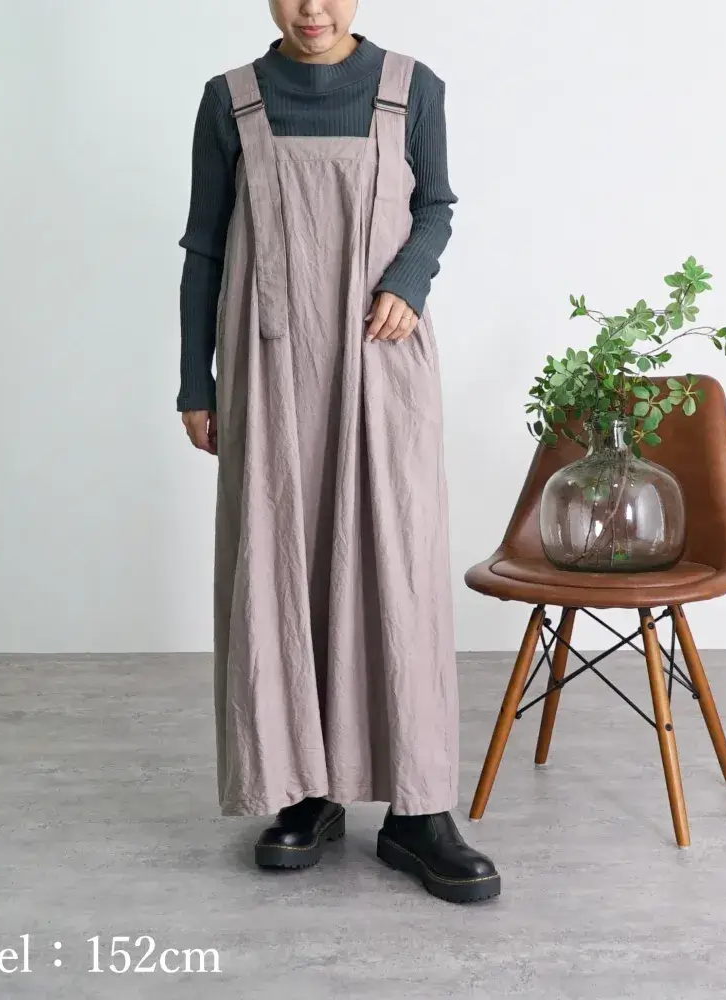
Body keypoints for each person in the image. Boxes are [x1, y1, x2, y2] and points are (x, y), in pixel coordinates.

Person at [177, 0, 500, 904]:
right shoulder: (230, 100)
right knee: (281, 566)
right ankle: (302, 790)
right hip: (269, 366)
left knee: (396, 570)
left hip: (382, 363)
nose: (310, 8)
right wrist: (195, 383)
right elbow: (205, 247)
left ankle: (417, 811)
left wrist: (409, 279)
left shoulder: (411, 89)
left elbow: (434, 207)